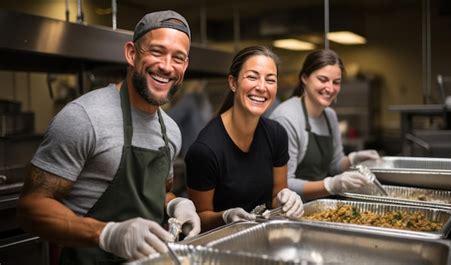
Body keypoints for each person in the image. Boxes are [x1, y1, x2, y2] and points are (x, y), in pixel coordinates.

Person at [16, 10, 201, 264]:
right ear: (131, 54)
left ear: (185, 66)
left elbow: (155, 194)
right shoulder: (84, 118)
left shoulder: (171, 131)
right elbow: (30, 208)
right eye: (156, 52)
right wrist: (106, 233)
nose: (166, 66)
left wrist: (175, 205)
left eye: (177, 58)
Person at [185, 46, 304, 232]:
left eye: (270, 80)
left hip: (265, 238)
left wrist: (285, 198)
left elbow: (275, 197)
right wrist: (226, 217)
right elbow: (197, 218)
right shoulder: (206, 150)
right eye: (252, 77)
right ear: (233, 83)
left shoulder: (277, 134)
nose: (262, 87)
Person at [270, 49, 380, 201]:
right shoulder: (287, 117)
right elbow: (284, 184)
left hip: (322, 203)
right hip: (291, 207)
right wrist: (331, 185)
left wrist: (353, 159)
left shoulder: (330, 116)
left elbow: (334, 164)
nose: (330, 88)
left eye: (336, 82)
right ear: (304, 78)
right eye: (323, 80)